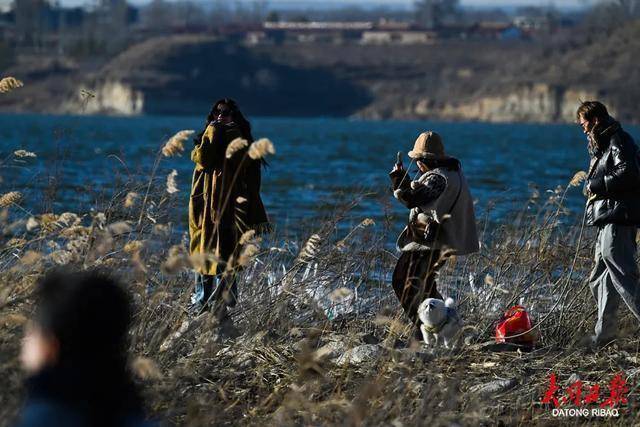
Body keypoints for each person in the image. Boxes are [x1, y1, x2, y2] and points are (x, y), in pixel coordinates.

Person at [17, 269, 154, 427]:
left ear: (51, 346)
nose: (25, 341)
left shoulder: (41, 419)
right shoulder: (135, 416)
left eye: (33, 332)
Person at [389, 131, 479, 337]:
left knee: (403, 281)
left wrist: (398, 179)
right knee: (426, 286)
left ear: (422, 161)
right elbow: (423, 196)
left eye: (417, 161)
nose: (417, 165)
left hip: (430, 242)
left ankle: (424, 330)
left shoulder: (438, 178)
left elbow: (412, 199)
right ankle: (448, 328)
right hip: (440, 241)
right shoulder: (452, 173)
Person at [189, 98, 269, 317]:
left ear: (234, 116)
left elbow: (247, 170)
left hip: (231, 209)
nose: (220, 116)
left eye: (225, 113)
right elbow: (203, 159)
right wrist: (211, 133)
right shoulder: (207, 139)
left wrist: (232, 134)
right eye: (217, 112)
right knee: (203, 253)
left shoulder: (241, 142)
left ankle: (222, 303)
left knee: (226, 253)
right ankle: (201, 305)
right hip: (204, 209)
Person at [579, 101, 640, 347]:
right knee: (599, 277)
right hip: (607, 218)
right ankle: (604, 335)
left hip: (619, 217)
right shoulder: (605, 144)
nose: (583, 129)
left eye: (583, 124)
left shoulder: (618, 140)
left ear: (594, 120)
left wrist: (595, 184)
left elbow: (629, 173)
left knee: (623, 275)